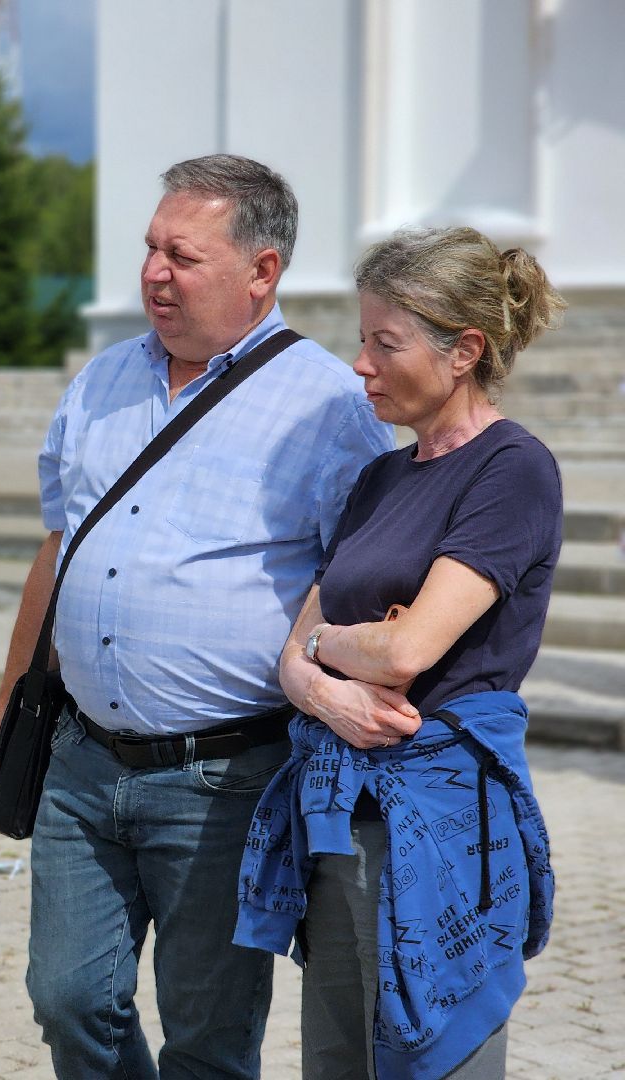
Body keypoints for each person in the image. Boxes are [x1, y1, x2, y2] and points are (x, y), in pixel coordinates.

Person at [0, 154, 394, 1079]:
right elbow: (57, 551)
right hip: (80, 764)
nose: (155, 273)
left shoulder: (329, 404)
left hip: (227, 781)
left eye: (184, 255)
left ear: (263, 271)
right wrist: (13, 703)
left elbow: (358, 579)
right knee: (69, 999)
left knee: (208, 1044)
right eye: (151, 249)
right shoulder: (99, 381)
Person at [236, 227, 566, 1079]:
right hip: (341, 812)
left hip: (443, 826)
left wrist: (330, 650)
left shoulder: (514, 469)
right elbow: (294, 655)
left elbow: (409, 649)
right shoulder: (381, 479)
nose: (360, 365)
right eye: (362, 340)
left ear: (465, 351)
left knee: (435, 1053)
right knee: (339, 1057)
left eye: (386, 343)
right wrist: (327, 678)